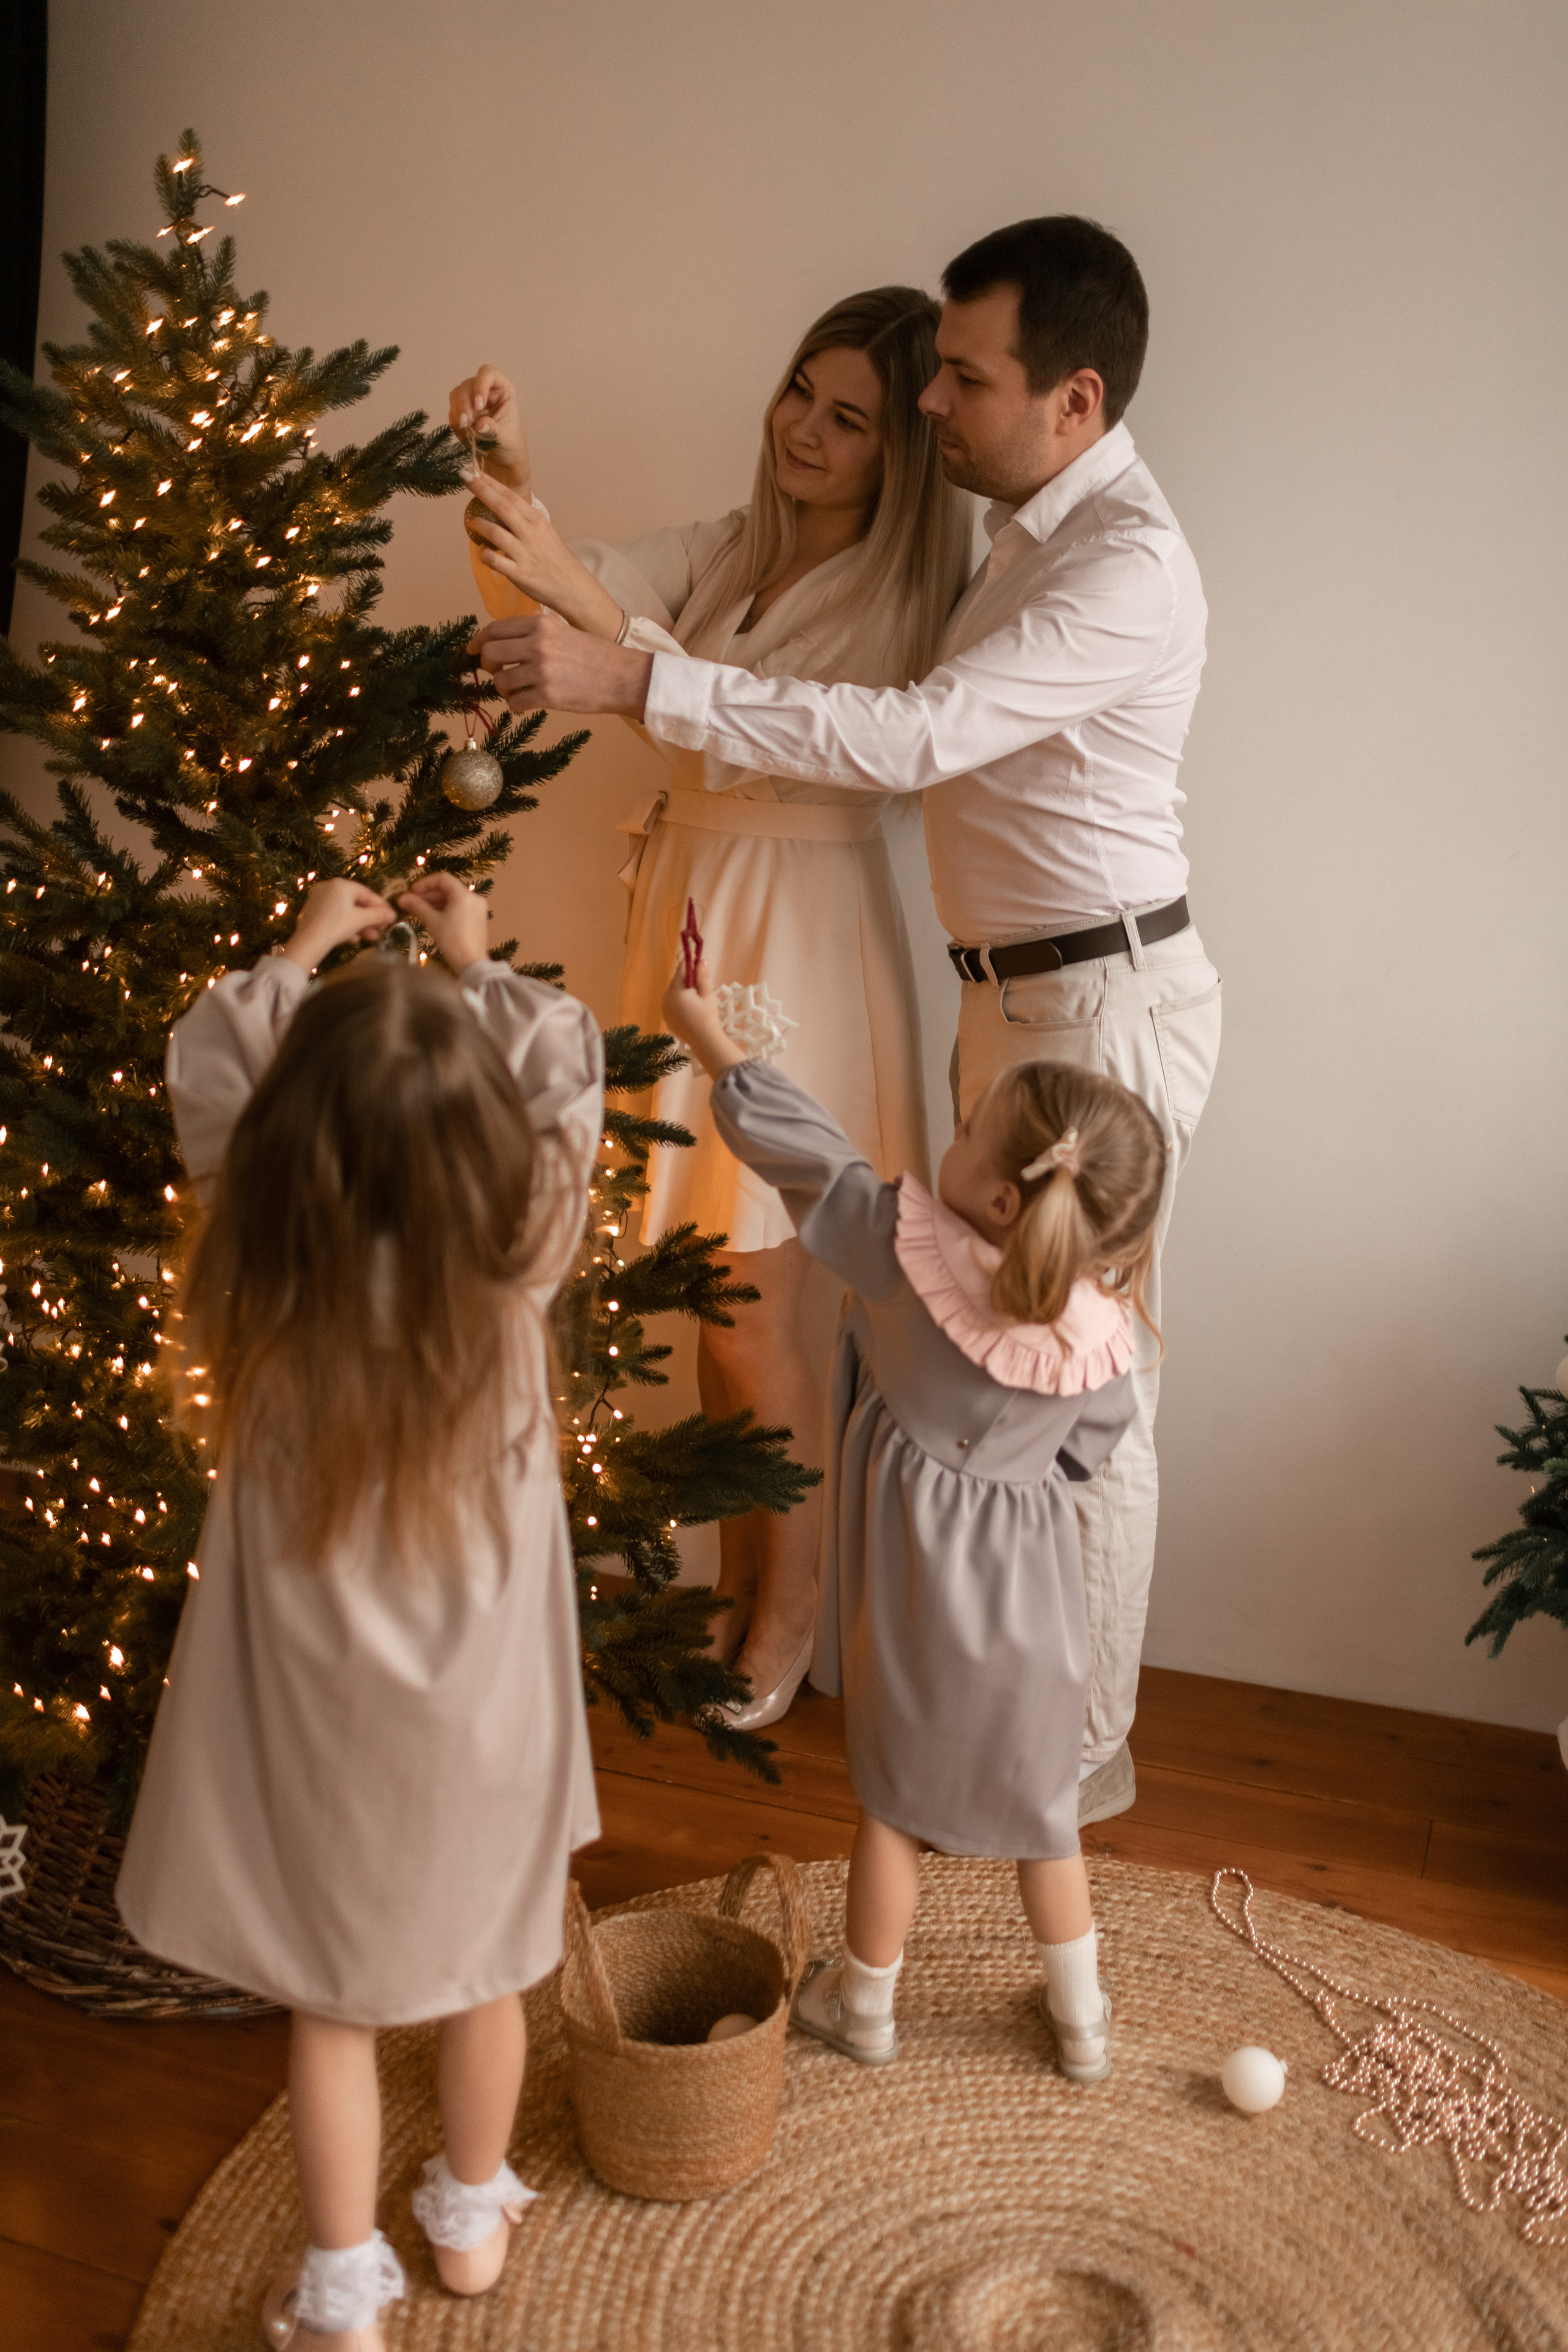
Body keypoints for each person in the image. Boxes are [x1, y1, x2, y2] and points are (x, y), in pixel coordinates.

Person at [467, 216, 1221, 1824]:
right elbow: (602, 615)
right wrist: (545, 541)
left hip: (1088, 999)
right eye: (923, 379)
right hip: (1001, 997)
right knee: (946, 1340)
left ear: (1071, 399)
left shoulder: (1117, 565)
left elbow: (911, 738)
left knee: (1085, 1371)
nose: (934, 406)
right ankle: (965, 1701)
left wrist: (629, 677)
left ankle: (1073, 1763)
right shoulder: (1018, 541)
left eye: (959, 378)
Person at [448, 288, 971, 1730]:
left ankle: (791, 1605)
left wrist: (588, 605)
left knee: (759, 1308)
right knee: (709, 1291)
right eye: (800, 392)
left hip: (795, 936)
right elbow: (565, 610)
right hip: (686, 916)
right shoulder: (735, 546)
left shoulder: (906, 592)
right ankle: (747, 1581)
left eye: (848, 417)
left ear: (899, 453)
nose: (804, 429)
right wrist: (509, 481)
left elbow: (720, 709)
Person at [116, 875, 603, 2351]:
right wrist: (479, 963)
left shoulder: (263, 1282)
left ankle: (340, 2290)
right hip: (486, 1733)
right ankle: (466, 2216)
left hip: (321, 1740)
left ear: (284, 1155)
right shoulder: (518, 1268)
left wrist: (304, 945)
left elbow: (207, 1070)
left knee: (331, 2012)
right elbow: (568, 1076)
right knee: (484, 1975)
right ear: (490, 1160)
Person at [661, 954, 1164, 2079]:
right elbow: (1092, 1451)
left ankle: (868, 2012)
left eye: (970, 1125)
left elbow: (805, 1154)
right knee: (1047, 1816)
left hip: (911, 1599)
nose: (957, 1130)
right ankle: (1082, 2025)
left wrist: (708, 1036)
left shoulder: (902, 1249)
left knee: (890, 1809)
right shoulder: (1096, 1337)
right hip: (1033, 1610)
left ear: (994, 1193)